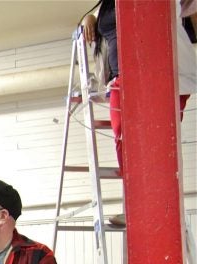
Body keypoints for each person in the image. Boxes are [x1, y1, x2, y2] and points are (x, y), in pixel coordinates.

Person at [81, 0, 195, 178]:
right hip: (121, 79)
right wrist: (88, 18)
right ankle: (136, 189)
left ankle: (158, 188)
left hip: (160, 77)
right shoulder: (108, 5)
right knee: (123, 138)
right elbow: (100, 19)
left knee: (159, 142)